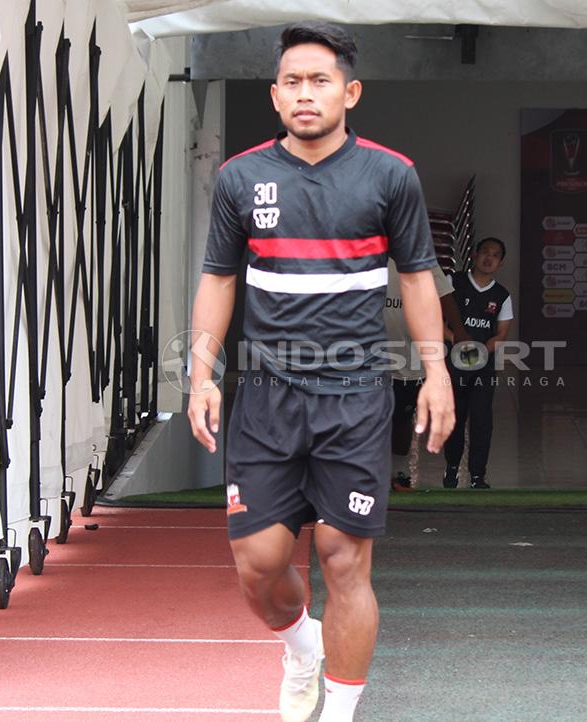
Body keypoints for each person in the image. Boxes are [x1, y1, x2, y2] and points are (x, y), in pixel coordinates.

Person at [185, 22, 454, 722]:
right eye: (294, 82)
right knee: (260, 565)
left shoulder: (390, 175)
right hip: (266, 399)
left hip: (356, 396)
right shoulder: (239, 178)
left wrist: (437, 373)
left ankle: (339, 710)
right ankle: (302, 645)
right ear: (276, 96)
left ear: (350, 91)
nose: (307, 94)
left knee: (343, 558)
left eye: (322, 80)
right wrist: (201, 373)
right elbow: (218, 281)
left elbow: (420, 279)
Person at [383, 261, 467, 492]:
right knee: (366, 420)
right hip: (369, 357)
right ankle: (369, 474)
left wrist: (459, 329)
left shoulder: (421, 258)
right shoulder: (367, 251)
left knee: (401, 420)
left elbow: (444, 296)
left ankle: (399, 473)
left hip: (411, 359)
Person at [443, 237, 513, 490]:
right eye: (485, 252)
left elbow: (502, 334)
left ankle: (477, 477)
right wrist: (457, 341)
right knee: (455, 418)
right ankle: (451, 469)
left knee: (482, 419)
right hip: (453, 363)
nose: (489, 258)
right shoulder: (454, 283)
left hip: (483, 365)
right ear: (474, 254)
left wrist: (480, 350)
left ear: (500, 262)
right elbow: (433, 317)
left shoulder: (502, 296)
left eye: (495, 255)